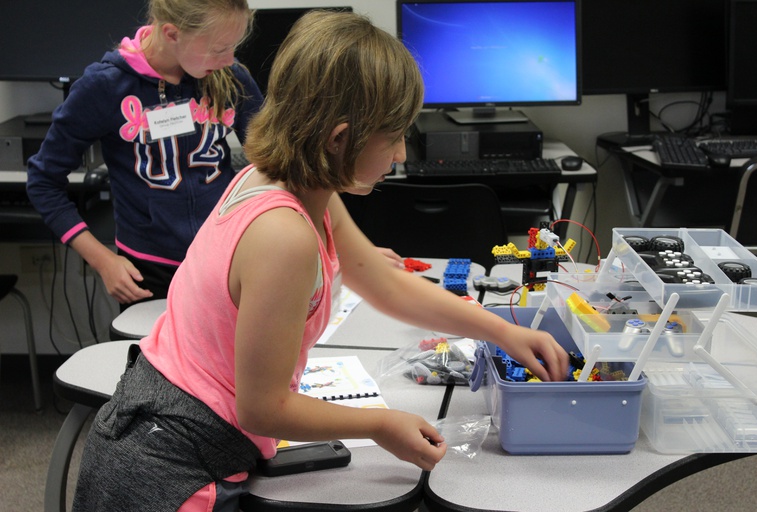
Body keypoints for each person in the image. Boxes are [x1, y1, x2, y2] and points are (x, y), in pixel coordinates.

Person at [71, 10, 570, 511]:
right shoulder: (283, 236)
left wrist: (503, 330)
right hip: (168, 469)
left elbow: (382, 282)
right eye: (394, 136)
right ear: (340, 138)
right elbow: (263, 408)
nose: (400, 153)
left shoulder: (290, 180)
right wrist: (379, 424)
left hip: (172, 428)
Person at [26, 0, 263, 307]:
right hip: (149, 273)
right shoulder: (105, 86)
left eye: (233, 46)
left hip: (226, 260)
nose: (229, 59)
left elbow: (274, 163)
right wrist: (103, 261)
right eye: (218, 48)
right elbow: (43, 182)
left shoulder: (231, 78)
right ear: (171, 34)